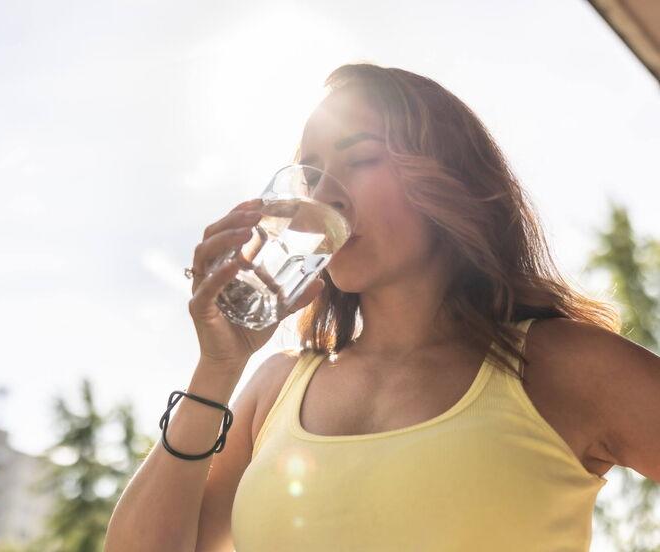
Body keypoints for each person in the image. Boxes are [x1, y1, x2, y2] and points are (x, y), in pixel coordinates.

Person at [104, 63, 660, 552]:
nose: (327, 197)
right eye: (312, 176)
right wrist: (217, 369)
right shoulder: (273, 392)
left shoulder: (565, 367)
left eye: (362, 158)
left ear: (452, 181)